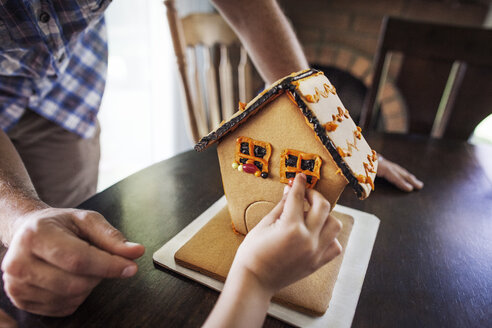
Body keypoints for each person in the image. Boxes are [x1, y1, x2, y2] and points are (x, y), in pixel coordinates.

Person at [0, 0, 422, 322]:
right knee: (27, 257)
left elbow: (251, 9)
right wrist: (18, 216)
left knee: (68, 249)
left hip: (68, 88)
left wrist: (329, 133)